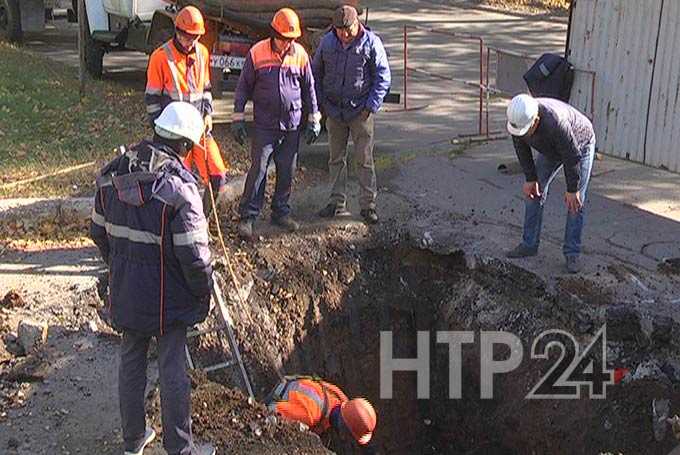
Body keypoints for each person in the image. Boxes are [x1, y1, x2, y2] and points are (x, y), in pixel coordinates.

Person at [90, 102, 216, 455]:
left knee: (131, 358)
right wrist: (201, 294)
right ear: (186, 146)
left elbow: (98, 233)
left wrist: (120, 269)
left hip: (127, 290)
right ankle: (180, 448)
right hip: (168, 299)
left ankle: (133, 442)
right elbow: (194, 258)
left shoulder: (113, 174)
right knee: (172, 365)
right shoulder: (181, 191)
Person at [232, 7, 321, 240]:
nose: (286, 44)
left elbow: (310, 89)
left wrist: (314, 119)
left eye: (291, 39)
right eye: (283, 39)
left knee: (287, 170)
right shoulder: (257, 53)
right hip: (264, 125)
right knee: (259, 169)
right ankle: (248, 215)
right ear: (274, 34)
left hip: (291, 125)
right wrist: (237, 118)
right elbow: (243, 88)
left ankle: (280, 212)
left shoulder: (299, 54)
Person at [312, 5, 391, 224]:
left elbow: (383, 77)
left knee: (364, 159)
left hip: (361, 112)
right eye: (339, 30)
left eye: (347, 29)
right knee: (335, 159)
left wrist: (370, 106)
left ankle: (368, 206)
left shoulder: (372, 43)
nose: (344, 35)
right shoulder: (327, 43)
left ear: (357, 23)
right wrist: (321, 104)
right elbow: (315, 73)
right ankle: (337, 202)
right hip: (335, 111)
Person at [505, 94, 596, 273]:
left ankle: (572, 253)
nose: (521, 134)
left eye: (526, 130)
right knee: (533, 193)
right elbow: (521, 146)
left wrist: (572, 189)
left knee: (575, 203)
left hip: (580, 145)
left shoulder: (556, 123)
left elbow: (572, 158)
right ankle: (529, 244)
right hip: (551, 148)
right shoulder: (518, 120)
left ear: (536, 120)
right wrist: (530, 178)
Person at [145, 5, 228, 198]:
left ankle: (203, 220)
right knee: (176, 181)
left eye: (195, 37)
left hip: (198, 129)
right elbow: (152, 100)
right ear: (177, 31)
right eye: (187, 37)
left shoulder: (202, 53)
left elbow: (206, 89)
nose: (190, 42)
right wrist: (162, 133)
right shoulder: (160, 57)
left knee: (217, 176)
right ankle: (179, 223)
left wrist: (207, 114)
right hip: (173, 134)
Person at [265, 375, 379, 454]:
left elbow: (357, 420)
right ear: (344, 428)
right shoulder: (309, 415)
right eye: (349, 435)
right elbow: (271, 414)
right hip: (279, 397)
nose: (347, 439)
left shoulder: (340, 400)